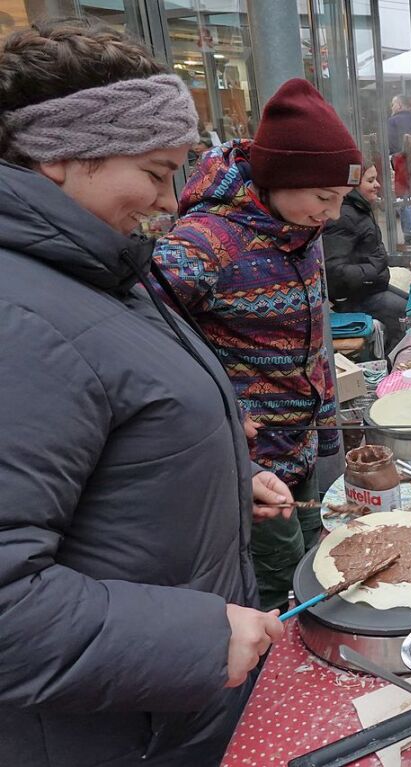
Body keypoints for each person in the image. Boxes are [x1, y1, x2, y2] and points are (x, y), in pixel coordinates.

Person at [0, 20, 287, 765]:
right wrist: (198, 638)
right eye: (156, 172)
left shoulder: (89, 264)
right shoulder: (20, 314)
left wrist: (216, 476)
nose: (169, 202)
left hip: (165, 710)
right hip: (112, 732)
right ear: (62, 153)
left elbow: (112, 432)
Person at [153, 78, 362, 612]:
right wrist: (222, 418)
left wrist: (329, 434)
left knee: (321, 563)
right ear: (281, 177)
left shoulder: (302, 232)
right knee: (281, 586)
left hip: (306, 446)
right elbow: (141, 335)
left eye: (340, 200)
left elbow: (315, 345)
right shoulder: (206, 242)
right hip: (253, 465)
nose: (333, 215)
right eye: (324, 198)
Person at [323, 161, 408, 351]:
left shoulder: (359, 209)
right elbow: (333, 271)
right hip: (353, 299)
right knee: (406, 314)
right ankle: (398, 371)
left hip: (370, 289)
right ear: (352, 186)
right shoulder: (343, 216)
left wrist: (402, 260)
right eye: (370, 180)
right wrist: (374, 269)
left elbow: (370, 251)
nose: (377, 185)